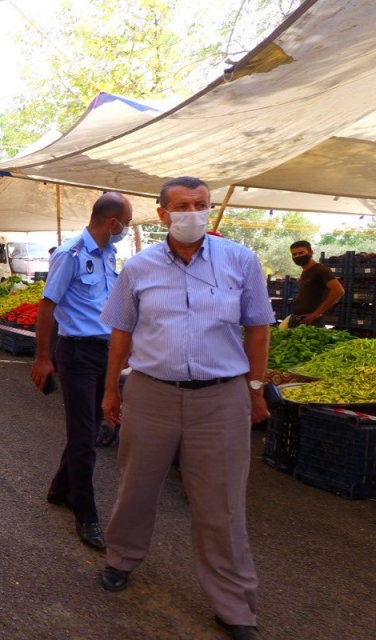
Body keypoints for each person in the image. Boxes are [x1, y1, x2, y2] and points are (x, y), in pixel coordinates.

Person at [99, 176, 273, 640]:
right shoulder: (138, 268)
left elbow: (258, 327)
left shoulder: (241, 260)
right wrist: (112, 390)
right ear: (162, 214)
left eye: (201, 204)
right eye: (181, 205)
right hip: (151, 393)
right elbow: (121, 331)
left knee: (222, 504)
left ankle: (235, 605)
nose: (192, 212)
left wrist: (255, 387)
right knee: (137, 487)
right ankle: (121, 558)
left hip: (220, 398)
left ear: (210, 210)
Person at [28, 192, 133, 551]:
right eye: (127, 224)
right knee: (85, 434)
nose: (126, 230)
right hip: (77, 353)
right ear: (112, 223)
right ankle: (86, 514)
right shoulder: (70, 254)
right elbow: (46, 307)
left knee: (85, 429)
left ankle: (60, 489)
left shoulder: (109, 254)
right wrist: (43, 358)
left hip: (105, 352)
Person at [287, 240, 344, 327]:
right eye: (294, 254)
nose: (298, 256)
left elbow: (339, 291)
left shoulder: (320, 269)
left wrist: (316, 314)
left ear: (310, 252)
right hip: (297, 319)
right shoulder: (305, 271)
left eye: (301, 253)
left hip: (311, 322)